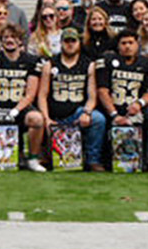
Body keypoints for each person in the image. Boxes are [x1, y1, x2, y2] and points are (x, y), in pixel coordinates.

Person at [99, 30, 148, 172]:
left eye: (131, 43)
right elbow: (102, 91)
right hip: (113, 108)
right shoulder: (107, 61)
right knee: (97, 119)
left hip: (136, 109)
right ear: (118, 46)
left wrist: (139, 104)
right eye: (124, 43)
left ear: (137, 44)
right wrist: (115, 115)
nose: (127, 46)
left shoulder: (147, 63)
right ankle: (98, 159)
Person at [0, 28, 46, 171]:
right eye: (5, 37)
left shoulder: (30, 60)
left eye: (13, 37)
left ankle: (33, 159)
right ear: (1, 40)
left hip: (19, 109)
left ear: (20, 40)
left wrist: (15, 111)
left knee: (36, 119)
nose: (9, 40)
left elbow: (30, 93)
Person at [45, 27, 106, 171]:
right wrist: (46, 118)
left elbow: (92, 96)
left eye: (73, 41)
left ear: (79, 43)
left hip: (76, 114)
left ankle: (93, 160)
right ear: (61, 43)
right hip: (55, 116)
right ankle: (42, 156)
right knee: (39, 120)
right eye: (67, 41)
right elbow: (42, 95)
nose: (70, 44)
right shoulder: (50, 63)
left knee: (98, 119)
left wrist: (87, 112)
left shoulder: (88, 65)